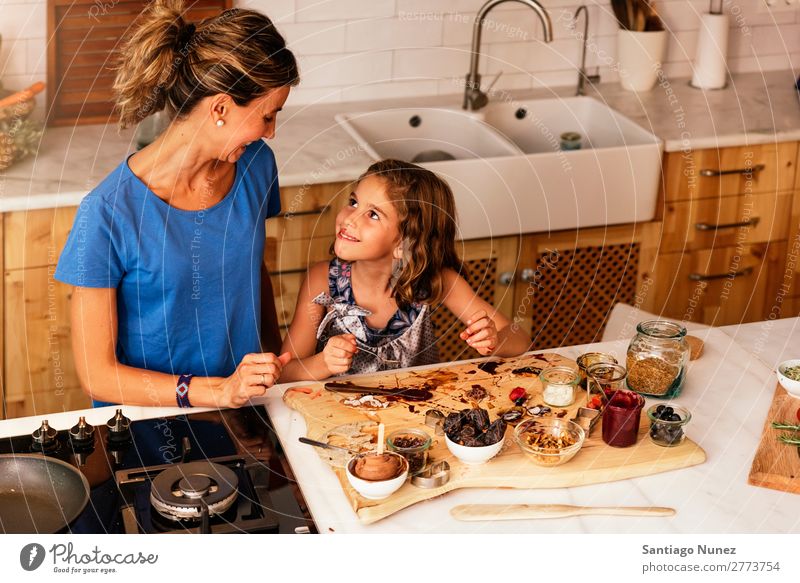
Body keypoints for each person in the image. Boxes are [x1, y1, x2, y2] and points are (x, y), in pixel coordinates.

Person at [54, 0, 299, 410]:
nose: (271, 133)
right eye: (267, 116)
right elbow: (98, 376)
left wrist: (271, 377)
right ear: (220, 107)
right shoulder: (107, 213)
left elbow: (251, 268)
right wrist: (218, 391)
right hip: (146, 425)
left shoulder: (256, 166)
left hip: (243, 410)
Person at [280, 159, 532, 382]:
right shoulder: (322, 280)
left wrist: (496, 340)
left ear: (403, 243)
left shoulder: (435, 280)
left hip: (413, 422)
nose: (349, 218)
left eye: (373, 215)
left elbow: (520, 340)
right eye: (354, 202)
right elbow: (285, 372)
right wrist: (322, 363)